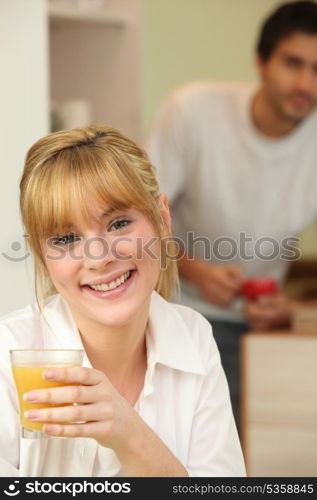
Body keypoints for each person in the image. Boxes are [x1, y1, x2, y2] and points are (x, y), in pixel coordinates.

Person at [0, 125, 245, 477]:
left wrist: (131, 435)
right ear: (41, 257)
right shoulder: (9, 354)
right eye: (66, 238)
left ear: (162, 218)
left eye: (118, 224)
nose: (98, 258)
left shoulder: (193, 337)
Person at [146, 1, 317, 431]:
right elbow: (137, 218)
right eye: (293, 63)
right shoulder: (192, 111)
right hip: (177, 309)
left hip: (264, 326)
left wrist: (293, 309)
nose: (305, 83)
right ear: (261, 61)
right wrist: (195, 271)